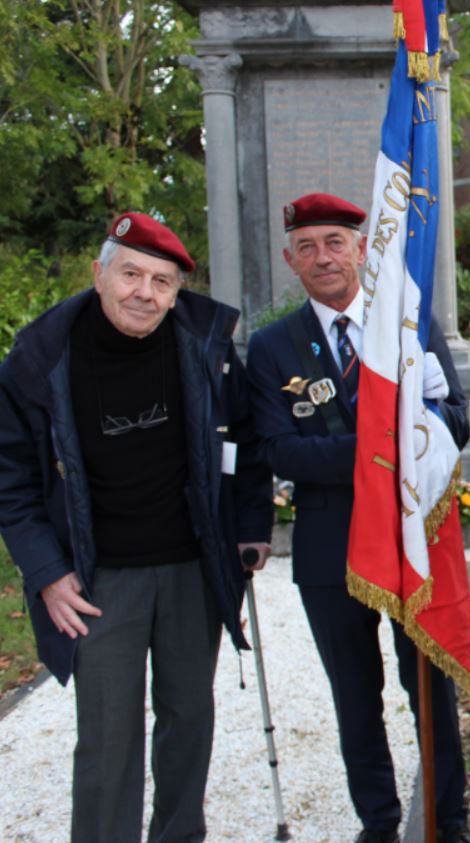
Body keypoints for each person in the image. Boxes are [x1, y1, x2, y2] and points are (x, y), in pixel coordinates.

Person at [0, 212, 273, 843]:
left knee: (188, 723)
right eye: (130, 274)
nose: (144, 293)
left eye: (162, 281)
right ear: (98, 274)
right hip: (96, 582)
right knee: (106, 738)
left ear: (177, 292)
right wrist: (46, 573)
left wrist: (250, 530)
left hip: (190, 570)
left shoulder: (206, 347)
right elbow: (10, 481)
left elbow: (248, 446)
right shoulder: (39, 359)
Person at [246, 192, 470, 843]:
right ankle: (378, 822)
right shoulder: (272, 347)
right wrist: (389, 441)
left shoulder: (405, 322)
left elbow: (454, 420)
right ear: (291, 259)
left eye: (335, 241)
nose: (323, 256)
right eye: (308, 246)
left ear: (360, 248)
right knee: (355, 697)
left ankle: (444, 819)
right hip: (330, 547)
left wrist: (420, 427)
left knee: (429, 687)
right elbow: (281, 451)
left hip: (409, 540)